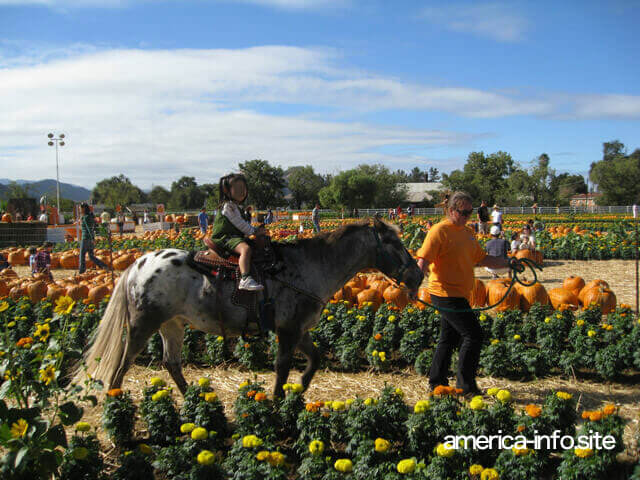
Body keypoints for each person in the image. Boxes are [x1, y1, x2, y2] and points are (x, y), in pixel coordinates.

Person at [416, 191, 509, 395]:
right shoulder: (439, 231)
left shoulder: (467, 233)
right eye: (463, 212)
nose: (467, 216)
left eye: (470, 212)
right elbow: (422, 261)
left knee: (448, 338)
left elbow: (482, 259)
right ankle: (466, 386)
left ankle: (437, 382)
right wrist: (412, 285)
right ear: (451, 210)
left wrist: (508, 263)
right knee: (473, 335)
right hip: (444, 292)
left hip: (461, 293)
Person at [210, 174, 266, 291]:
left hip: (234, 236)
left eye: (244, 189)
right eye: (238, 188)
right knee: (245, 249)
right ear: (226, 190)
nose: (242, 192)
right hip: (225, 237)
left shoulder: (236, 207)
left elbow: (243, 223)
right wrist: (254, 231)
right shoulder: (228, 207)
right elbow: (239, 223)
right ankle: (245, 278)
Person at [79, 203, 110, 274]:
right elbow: (93, 228)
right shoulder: (90, 217)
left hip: (85, 238)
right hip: (90, 239)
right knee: (91, 256)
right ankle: (103, 265)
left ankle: (81, 271)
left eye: (80, 208)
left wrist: (92, 238)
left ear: (83, 208)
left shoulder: (85, 217)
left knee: (82, 255)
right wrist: (93, 238)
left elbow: (88, 228)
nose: (79, 210)